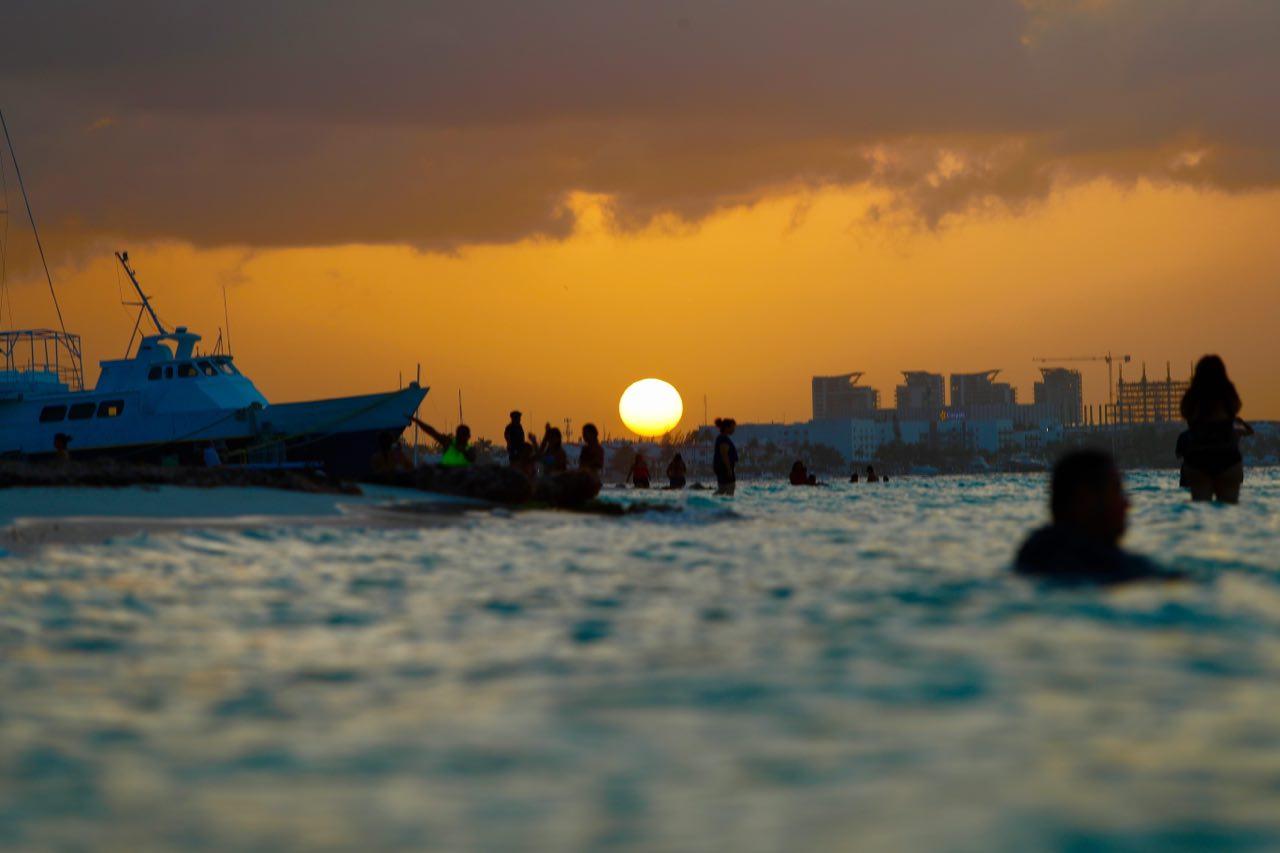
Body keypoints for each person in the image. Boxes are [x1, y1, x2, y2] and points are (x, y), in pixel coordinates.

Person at [1015, 450, 1177, 584]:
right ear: (1084, 499)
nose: (1127, 504)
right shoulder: (1115, 564)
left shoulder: (1034, 550)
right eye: (1116, 491)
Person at [1179, 355, 1252, 503]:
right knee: (1229, 511)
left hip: (1198, 459)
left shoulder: (1192, 397)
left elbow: (1184, 412)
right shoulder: (1227, 395)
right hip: (1227, 458)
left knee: (1200, 508)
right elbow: (1236, 407)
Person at [409, 415, 475, 467]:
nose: (463, 438)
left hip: (461, 477)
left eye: (464, 436)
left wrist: (463, 451)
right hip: (447, 475)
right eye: (461, 436)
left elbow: (471, 457)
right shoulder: (449, 442)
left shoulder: (470, 450)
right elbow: (431, 431)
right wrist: (417, 421)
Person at [713, 418, 737, 495]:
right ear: (727, 428)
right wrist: (729, 469)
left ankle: (716, 502)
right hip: (724, 467)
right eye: (733, 427)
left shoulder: (722, 438)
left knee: (722, 489)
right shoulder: (723, 438)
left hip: (721, 467)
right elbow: (724, 454)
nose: (734, 429)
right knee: (730, 487)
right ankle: (728, 504)